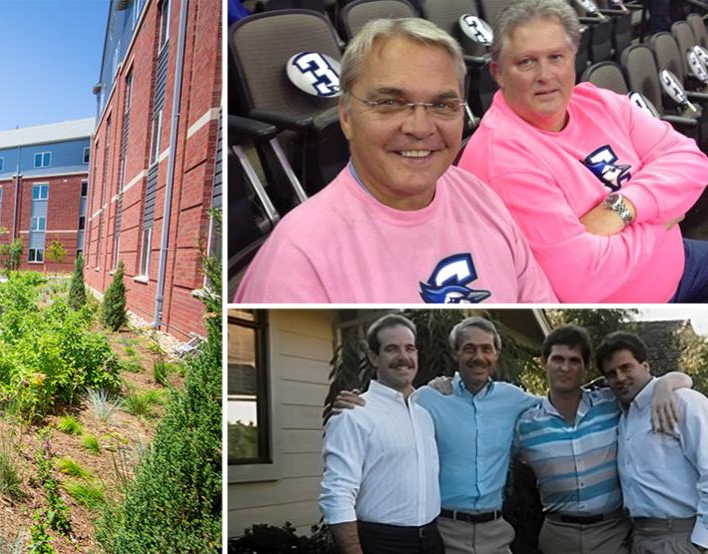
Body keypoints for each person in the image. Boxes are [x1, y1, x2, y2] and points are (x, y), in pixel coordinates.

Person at [234, 18, 555, 303]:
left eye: (442, 105)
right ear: (346, 116)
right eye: (390, 102)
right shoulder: (296, 260)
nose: (420, 127)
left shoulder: (480, 195)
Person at [333, 317, 687, 554]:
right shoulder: (430, 398)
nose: (478, 356)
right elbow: (393, 401)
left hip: (511, 534)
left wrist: (668, 383)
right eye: (469, 348)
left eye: (486, 348)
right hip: (445, 530)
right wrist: (357, 399)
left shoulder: (535, 402)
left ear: (496, 354)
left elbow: (629, 387)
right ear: (456, 353)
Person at [458, 0, 708, 303]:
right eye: (526, 62)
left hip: (683, 263)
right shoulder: (502, 160)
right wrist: (663, 216)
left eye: (556, 57)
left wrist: (625, 207)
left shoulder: (598, 102)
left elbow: (691, 160)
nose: (545, 74)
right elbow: (583, 279)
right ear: (497, 72)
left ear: (573, 58)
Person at [514, 326, 691, 554]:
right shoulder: (524, 424)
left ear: (585, 368)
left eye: (574, 360)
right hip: (558, 536)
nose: (565, 367)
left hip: (613, 533)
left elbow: (650, 382)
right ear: (543, 362)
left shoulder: (611, 403)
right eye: (557, 359)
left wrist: (666, 384)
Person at [319, 314, 443, 553]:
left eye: (410, 348)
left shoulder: (424, 416)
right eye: (391, 349)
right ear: (374, 357)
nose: (403, 357)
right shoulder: (353, 413)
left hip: (431, 540)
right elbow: (337, 492)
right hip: (382, 542)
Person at [597, 332, 708, 554]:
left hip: (679, 537)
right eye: (611, 373)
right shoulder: (622, 414)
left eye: (626, 367)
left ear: (645, 366)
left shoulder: (684, 401)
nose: (619, 378)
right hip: (638, 537)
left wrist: (702, 542)